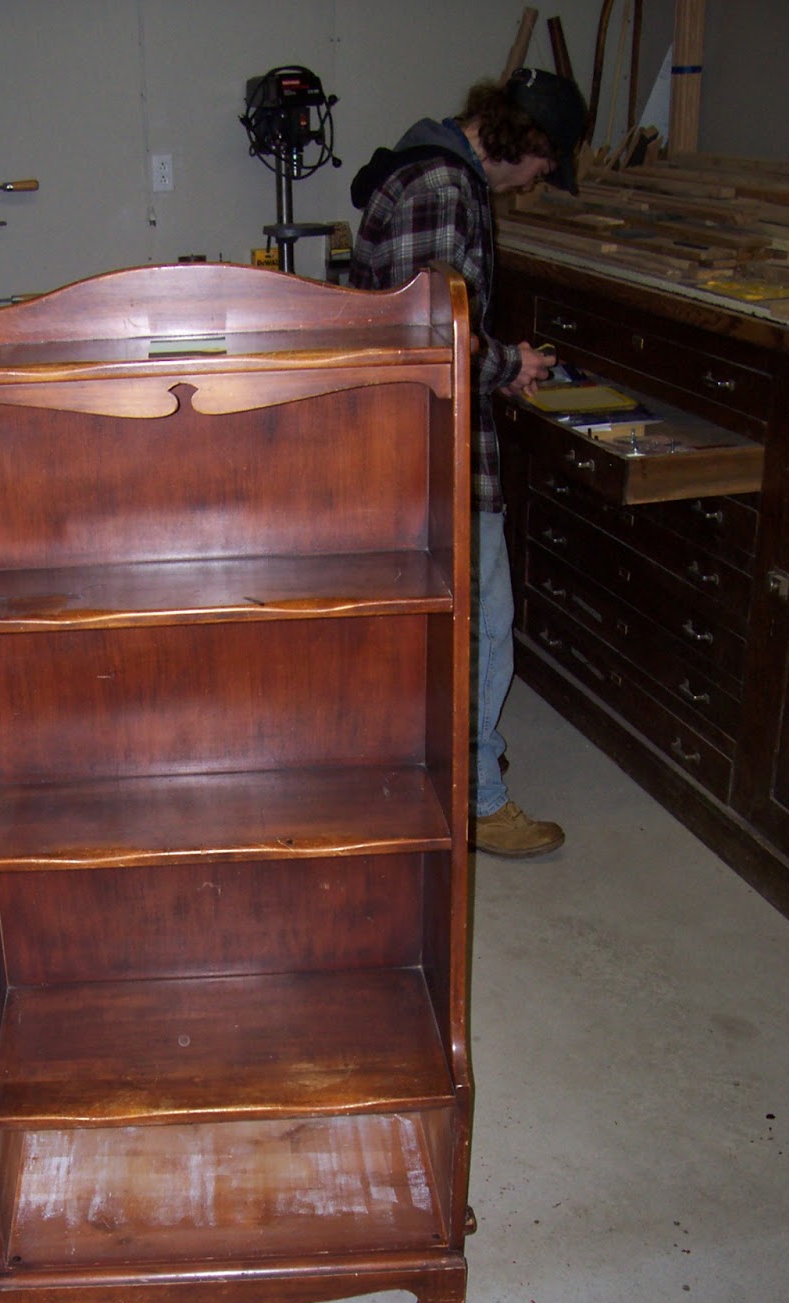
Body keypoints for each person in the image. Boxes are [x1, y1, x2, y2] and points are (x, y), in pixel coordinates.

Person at [350, 67, 587, 858]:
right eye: (545, 164)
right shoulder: (446, 187)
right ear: (529, 142)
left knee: (439, 626)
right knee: (482, 626)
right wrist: (506, 364)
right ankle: (479, 799)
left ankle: (428, 777)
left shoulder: (421, 165)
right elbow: (427, 337)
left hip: (410, 440)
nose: (536, 183)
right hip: (437, 445)